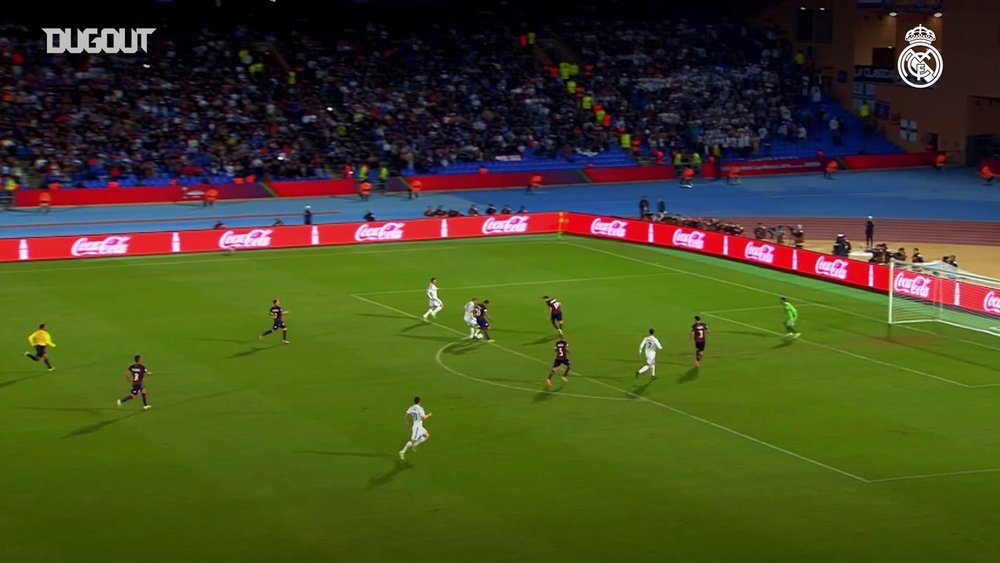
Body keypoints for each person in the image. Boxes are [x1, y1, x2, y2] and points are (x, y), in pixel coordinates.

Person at [398, 396, 432, 460]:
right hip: (417, 428)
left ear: (414, 401)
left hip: (419, 426)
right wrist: (429, 415)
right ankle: (402, 451)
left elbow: (406, 414)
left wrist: (406, 421)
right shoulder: (420, 409)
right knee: (412, 441)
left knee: (427, 435)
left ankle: (416, 444)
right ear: (419, 401)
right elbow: (423, 418)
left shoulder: (411, 407)